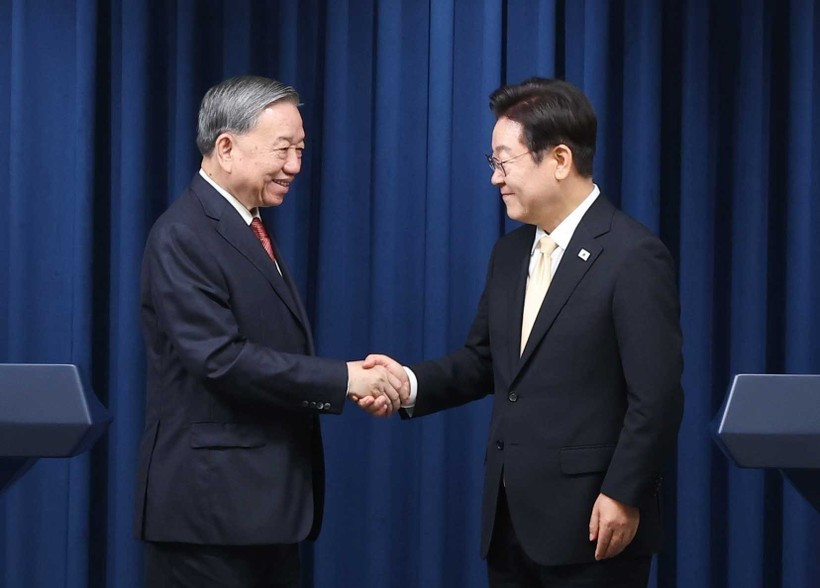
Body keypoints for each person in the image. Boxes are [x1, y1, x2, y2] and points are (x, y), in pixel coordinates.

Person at [363, 78, 684, 587]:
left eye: (503, 161)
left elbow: (657, 397)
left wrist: (624, 493)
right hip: (510, 525)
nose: (496, 178)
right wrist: (407, 383)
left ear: (559, 160)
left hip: (593, 526)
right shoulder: (510, 254)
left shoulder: (633, 256)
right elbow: (484, 361)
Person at [134, 75, 402, 587]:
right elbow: (220, 359)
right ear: (226, 147)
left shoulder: (243, 225)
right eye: (283, 149)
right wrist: (344, 379)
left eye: (300, 150)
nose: (295, 166)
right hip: (209, 517)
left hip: (256, 511)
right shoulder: (183, 234)